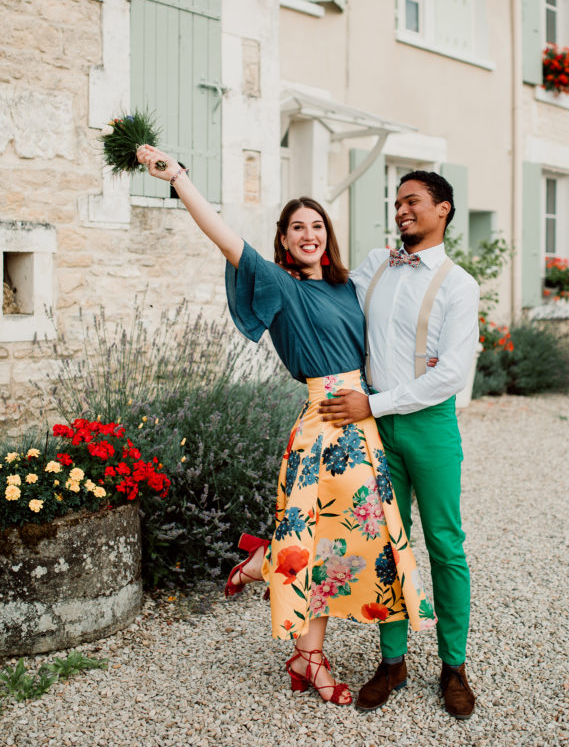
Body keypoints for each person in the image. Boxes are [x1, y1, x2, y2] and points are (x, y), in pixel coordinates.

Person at [135, 145, 436, 707]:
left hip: (363, 424)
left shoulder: (349, 285)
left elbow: (396, 316)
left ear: (329, 235)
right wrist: (177, 177)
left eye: (317, 225)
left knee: (350, 542)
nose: (309, 234)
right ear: (284, 239)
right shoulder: (278, 283)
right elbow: (223, 237)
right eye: (297, 227)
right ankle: (307, 651)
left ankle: (264, 564)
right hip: (322, 425)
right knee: (318, 544)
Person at [318, 171, 480, 719]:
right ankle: (393, 661)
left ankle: (453, 666)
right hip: (373, 426)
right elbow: (330, 293)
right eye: (397, 202)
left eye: (413, 201)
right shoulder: (376, 265)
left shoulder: (460, 284)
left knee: (444, 545)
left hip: (429, 425)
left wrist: (376, 404)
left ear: (444, 209)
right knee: (385, 541)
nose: (402, 210)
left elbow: (452, 373)